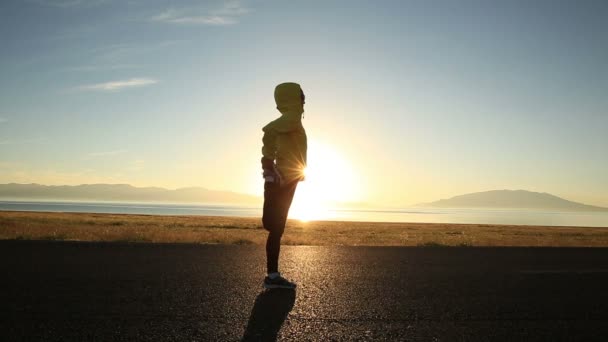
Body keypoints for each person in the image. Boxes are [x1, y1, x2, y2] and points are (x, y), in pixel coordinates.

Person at [260, 82, 307, 289]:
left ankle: (272, 275)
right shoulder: (293, 118)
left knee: (275, 227)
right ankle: (272, 277)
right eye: (302, 95)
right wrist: (268, 163)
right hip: (284, 178)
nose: (305, 99)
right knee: (275, 226)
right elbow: (268, 130)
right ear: (293, 98)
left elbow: (273, 136)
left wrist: (270, 164)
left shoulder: (291, 119)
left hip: (285, 177)